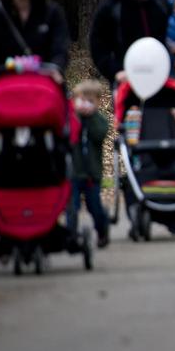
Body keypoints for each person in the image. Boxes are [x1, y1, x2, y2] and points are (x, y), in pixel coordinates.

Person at [89, 0, 170, 86]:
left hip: (161, 76)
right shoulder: (110, 9)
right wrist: (114, 72)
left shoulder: (160, 3)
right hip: (125, 79)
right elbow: (98, 46)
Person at [68, 80, 110, 248]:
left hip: (92, 174)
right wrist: (76, 116)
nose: (86, 105)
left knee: (94, 207)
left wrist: (91, 116)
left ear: (98, 102)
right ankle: (71, 235)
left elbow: (99, 134)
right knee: (72, 206)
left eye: (91, 101)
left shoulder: (98, 120)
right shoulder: (70, 119)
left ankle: (102, 229)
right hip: (74, 172)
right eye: (82, 100)